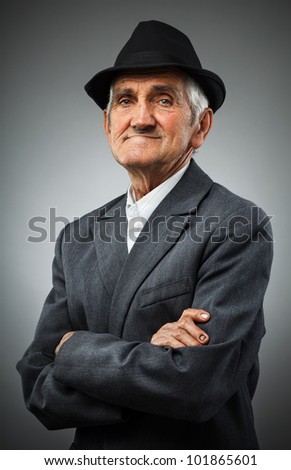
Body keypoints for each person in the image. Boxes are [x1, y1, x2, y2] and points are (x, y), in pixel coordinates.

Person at [17, 20, 273, 450]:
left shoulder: (239, 224)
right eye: (125, 100)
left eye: (164, 99)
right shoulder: (76, 237)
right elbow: (37, 387)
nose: (141, 118)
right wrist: (152, 357)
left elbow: (195, 386)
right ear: (107, 123)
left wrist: (74, 350)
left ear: (201, 127)